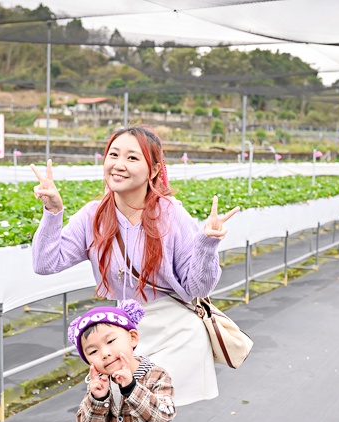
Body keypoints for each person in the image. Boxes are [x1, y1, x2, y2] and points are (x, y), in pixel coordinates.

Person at [30, 125, 239, 407]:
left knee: (150, 415)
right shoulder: (93, 216)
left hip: (176, 330)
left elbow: (197, 288)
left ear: (154, 170)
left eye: (132, 157)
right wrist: (53, 213)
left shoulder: (170, 214)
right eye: (113, 155)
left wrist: (207, 245)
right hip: (124, 333)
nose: (119, 164)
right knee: (129, 416)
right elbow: (45, 263)